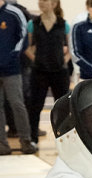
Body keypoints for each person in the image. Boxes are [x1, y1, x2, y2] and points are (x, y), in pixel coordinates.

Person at [25, 0, 70, 146]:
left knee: (63, 108)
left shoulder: (64, 24)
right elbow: (28, 48)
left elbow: (70, 49)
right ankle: (33, 139)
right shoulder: (33, 24)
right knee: (35, 106)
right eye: (40, 1)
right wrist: (38, 60)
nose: (41, 3)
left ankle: (65, 141)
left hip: (59, 72)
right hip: (39, 72)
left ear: (54, 3)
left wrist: (63, 61)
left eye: (45, 0)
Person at [0, 0, 37, 155]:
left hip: (11, 69)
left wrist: (10, 58)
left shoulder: (14, 13)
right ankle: (2, 144)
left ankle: (26, 141)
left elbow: (22, 38)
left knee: (17, 104)